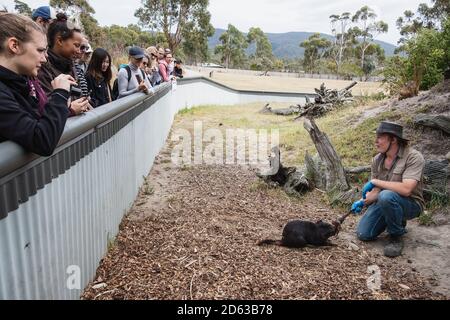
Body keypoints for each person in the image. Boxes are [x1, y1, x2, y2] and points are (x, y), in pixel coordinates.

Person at [0, 13, 78, 156]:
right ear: (14, 45)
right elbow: (41, 140)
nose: (45, 58)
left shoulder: (22, 83)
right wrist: (60, 94)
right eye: (40, 50)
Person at [352, 121, 425, 258]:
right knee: (364, 234)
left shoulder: (413, 157)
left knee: (386, 196)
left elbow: (407, 189)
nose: (376, 141)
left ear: (393, 139)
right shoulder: (377, 160)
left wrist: (374, 181)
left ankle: (396, 236)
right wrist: (362, 202)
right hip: (386, 200)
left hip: (411, 204)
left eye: (380, 137)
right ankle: (394, 218)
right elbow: (376, 192)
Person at [37, 13, 90, 116]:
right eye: (76, 45)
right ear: (60, 41)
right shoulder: (41, 68)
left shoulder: (72, 66)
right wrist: (69, 110)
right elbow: (45, 109)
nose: (79, 51)